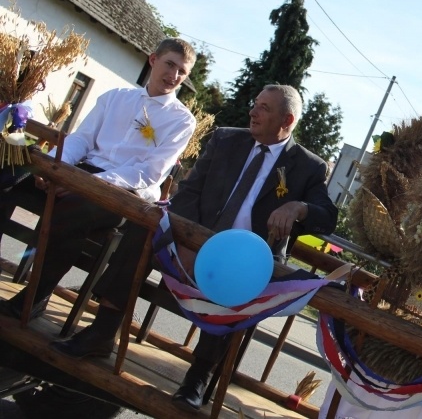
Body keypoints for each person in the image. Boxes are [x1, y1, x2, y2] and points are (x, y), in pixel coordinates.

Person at [41, 84, 338, 413]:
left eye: (264, 108)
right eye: (255, 104)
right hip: (195, 238)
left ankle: (197, 379)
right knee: (144, 231)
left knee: (242, 278)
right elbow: (188, 192)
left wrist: (298, 207)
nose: (252, 111)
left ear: (288, 119)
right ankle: (100, 332)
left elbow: (327, 219)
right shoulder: (226, 138)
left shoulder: (308, 166)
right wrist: (190, 240)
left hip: (246, 257)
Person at [0, 37, 197, 320]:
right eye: (170, 64)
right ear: (153, 60)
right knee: (9, 178)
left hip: (124, 193)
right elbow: (81, 139)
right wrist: (55, 171)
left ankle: (34, 298)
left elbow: (149, 172)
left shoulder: (182, 120)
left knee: (74, 210)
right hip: (79, 173)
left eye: (182, 71)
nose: (174, 75)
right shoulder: (115, 97)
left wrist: (89, 183)